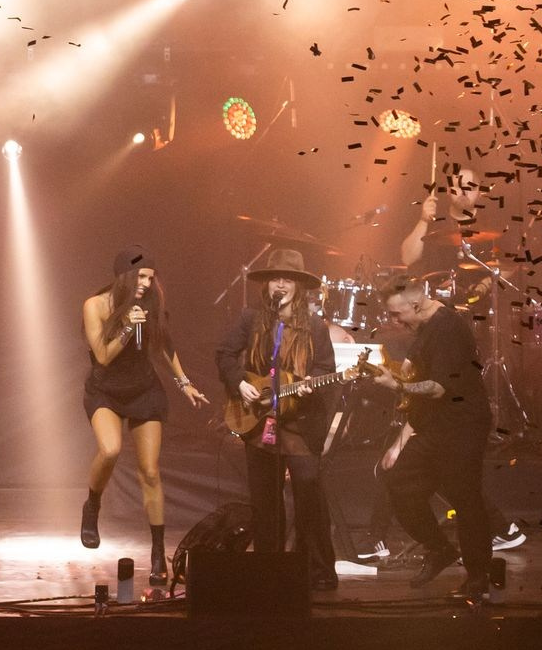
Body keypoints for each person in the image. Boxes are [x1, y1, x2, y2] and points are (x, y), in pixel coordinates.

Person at [213, 248, 345, 596]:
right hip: (258, 421)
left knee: (309, 492)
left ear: (299, 287)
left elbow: (326, 371)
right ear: (267, 284)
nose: (280, 284)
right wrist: (240, 382)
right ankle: (269, 564)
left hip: (299, 423)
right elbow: (224, 354)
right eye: (276, 278)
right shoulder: (252, 319)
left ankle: (318, 567)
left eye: (288, 279)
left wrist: (302, 387)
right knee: (264, 499)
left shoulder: (315, 326)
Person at [78, 249, 209, 588]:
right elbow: (103, 357)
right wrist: (124, 328)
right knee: (110, 450)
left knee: (150, 470)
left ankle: (156, 552)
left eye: (151, 277)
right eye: (141, 277)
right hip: (106, 389)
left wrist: (185, 384)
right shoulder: (95, 305)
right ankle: (92, 505)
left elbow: (165, 345)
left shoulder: (150, 304)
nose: (147, 283)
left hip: (143, 390)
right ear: (124, 276)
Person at [377, 277, 500, 599]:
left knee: (466, 500)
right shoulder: (424, 329)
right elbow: (412, 372)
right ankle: (440, 549)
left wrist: (396, 386)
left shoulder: (448, 329)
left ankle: (478, 578)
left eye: (396, 314)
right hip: (432, 426)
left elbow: (436, 388)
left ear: (415, 305)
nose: (394, 321)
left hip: (462, 426)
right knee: (399, 480)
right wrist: (402, 437)